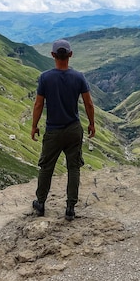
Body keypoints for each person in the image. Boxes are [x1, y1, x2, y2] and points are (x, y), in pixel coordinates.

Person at [30, 39, 95, 221]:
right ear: (70, 55)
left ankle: (41, 203)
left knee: (46, 167)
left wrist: (34, 126)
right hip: (73, 129)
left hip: (53, 131)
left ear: (52, 55)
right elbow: (88, 103)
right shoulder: (79, 77)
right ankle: (70, 208)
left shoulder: (45, 78)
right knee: (74, 168)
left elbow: (38, 104)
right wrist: (91, 123)